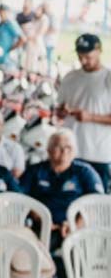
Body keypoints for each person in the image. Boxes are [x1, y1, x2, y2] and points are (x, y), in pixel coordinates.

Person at [20, 129, 105, 250]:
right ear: (48, 150)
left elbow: (96, 203)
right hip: (42, 226)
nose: (64, 151)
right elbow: (20, 198)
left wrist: (75, 225)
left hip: (77, 225)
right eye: (58, 147)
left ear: (75, 151)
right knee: (35, 251)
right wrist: (40, 218)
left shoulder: (85, 171)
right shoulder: (35, 171)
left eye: (69, 147)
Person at [56, 33, 111, 190]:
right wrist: (62, 111)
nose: (83, 61)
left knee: (96, 204)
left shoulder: (107, 78)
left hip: (98, 153)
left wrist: (90, 117)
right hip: (70, 153)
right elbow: (59, 108)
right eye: (80, 56)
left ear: (99, 50)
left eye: (88, 56)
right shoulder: (70, 77)